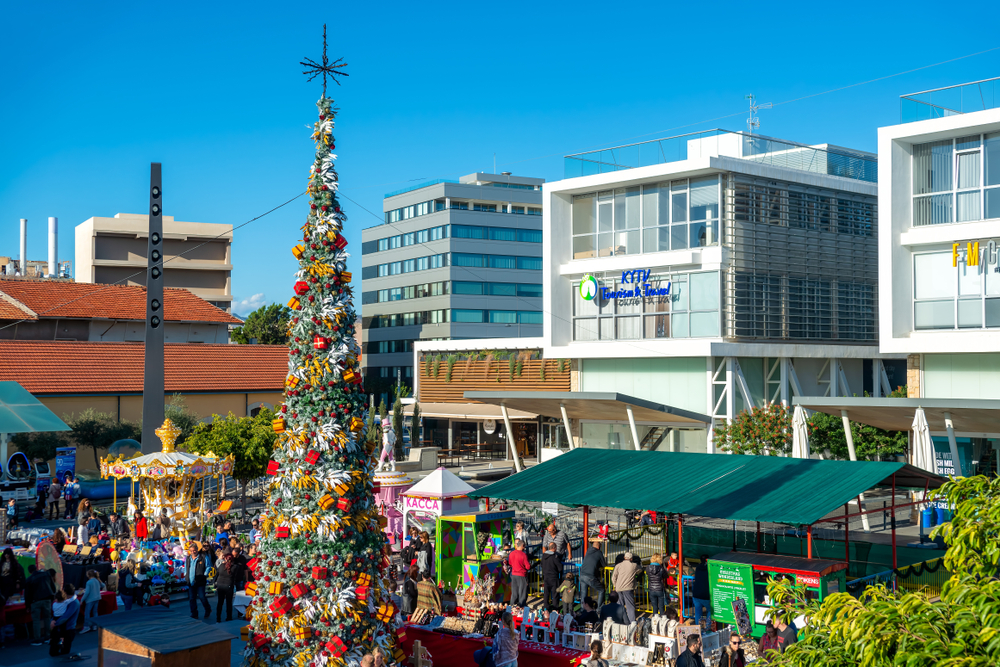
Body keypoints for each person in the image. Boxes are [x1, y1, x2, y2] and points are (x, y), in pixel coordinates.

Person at [26, 563, 56, 645]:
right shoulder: (46, 574)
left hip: (35, 601)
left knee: (36, 620)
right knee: (47, 618)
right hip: (47, 599)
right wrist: (53, 596)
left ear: (29, 572)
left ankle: (37, 639)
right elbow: (52, 586)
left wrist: (27, 605)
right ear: (36, 568)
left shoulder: (29, 579)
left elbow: (27, 594)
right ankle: (48, 636)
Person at [611, 551, 642, 624]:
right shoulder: (634, 565)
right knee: (630, 606)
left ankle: (619, 620)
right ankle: (632, 622)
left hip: (618, 588)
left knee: (619, 606)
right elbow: (640, 570)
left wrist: (615, 586)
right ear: (631, 559)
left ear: (624, 558)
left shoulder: (618, 565)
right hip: (628, 588)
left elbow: (613, 577)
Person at [50, 583, 80, 657]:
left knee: (64, 652)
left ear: (65, 592)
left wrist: (54, 623)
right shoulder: (68, 601)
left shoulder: (74, 603)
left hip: (68, 629)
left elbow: (65, 616)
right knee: (54, 651)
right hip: (62, 628)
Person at [185, 541, 212, 619]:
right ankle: (194, 613)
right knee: (192, 598)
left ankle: (208, 609)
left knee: (202, 597)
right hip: (191, 581)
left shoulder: (203, 557)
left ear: (197, 549)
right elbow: (186, 568)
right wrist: (186, 575)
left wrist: (205, 574)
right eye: (191, 551)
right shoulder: (188, 558)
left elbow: (208, 566)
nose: (193, 552)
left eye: (194, 550)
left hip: (200, 581)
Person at [215, 550, 242, 622]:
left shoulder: (221, 566)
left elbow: (217, 574)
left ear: (225, 559)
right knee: (228, 602)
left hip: (220, 585)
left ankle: (218, 618)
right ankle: (229, 617)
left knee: (220, 602)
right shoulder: (235, 567)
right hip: (229, 585)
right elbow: (236, 576)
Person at [579, 538, 607, 608]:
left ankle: (583, 609)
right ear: (598, 546)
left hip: (582, 575)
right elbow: (604, 564)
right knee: (601, 590)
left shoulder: (588, 551)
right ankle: (599, 608)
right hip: (590, 576)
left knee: (583, 594)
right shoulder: (599, 553)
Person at [541, 542, 563, 611]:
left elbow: (542, 565)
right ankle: (555, 608)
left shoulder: (544, 556)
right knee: (555, 594)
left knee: (546, 593)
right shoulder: (554, 557)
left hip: (546, 577)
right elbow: (560, 568)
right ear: (554, 548)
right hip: (554, 577)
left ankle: (546, 607)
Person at [508, 538, 530, 607]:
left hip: (514, 575)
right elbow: (528, 567)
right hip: (522, 575)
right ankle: (521, 609)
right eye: (524, 546)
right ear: (522, 546)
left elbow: (510, 563)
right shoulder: (523, 555)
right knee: (522, 594)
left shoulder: (511, 553)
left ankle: (511, 608)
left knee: (514, 594)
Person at [692, 555, 712, 627]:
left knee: (698, 612)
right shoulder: (709, 568)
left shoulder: (698, 567)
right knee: (710, 610)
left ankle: (698, 626)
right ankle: (708, 626)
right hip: (706, 594)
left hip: (696, 593)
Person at [80, 569, 101, 633]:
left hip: (90, 599)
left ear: (88, 575)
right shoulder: (97, 580)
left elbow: (87, 593)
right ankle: (95, 625)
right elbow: (102, 586)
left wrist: (82, 600)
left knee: (87, 613)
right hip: (97, 598)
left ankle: (86, 626)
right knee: (95, 612)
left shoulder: (89, 582)